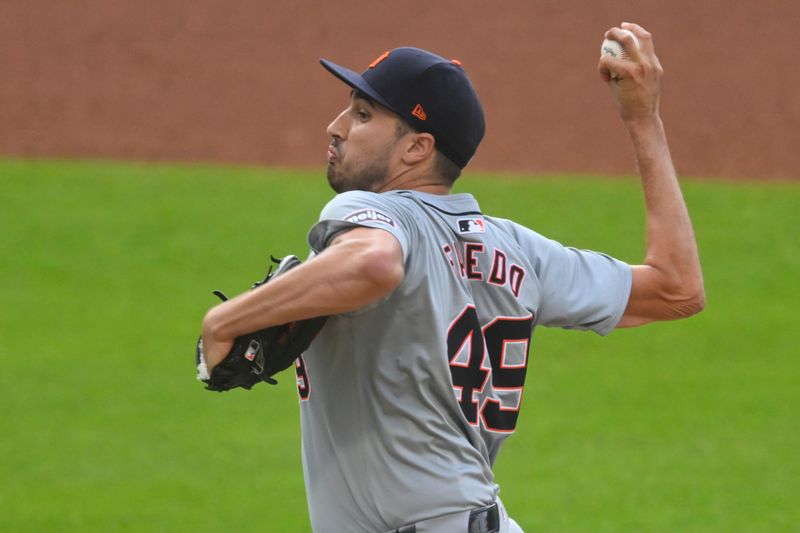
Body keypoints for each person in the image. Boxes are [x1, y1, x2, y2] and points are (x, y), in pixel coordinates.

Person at [201, 22, 704, 533]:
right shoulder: (518, 251)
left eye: (362, 114)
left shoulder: (374, 212)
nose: (336, 126)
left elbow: (374, 264)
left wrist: (225, 319)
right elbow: (676, 287)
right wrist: (644, 119)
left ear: (416, 149)